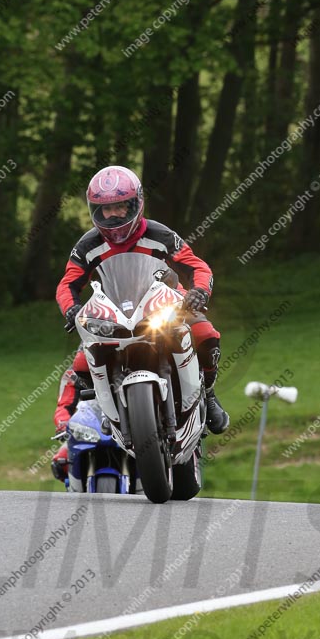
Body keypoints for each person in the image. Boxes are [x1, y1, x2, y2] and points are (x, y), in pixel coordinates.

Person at [51, 165, 229, 481]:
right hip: (114, 313)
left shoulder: (160, 235)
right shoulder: (87, 246)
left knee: (207, 334)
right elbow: (67, 284)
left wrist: (200, 291)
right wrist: (70, 309)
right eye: (105, 209)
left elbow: (196, 265)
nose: (114, 216)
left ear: (136, 204)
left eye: (120, 206)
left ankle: (209, 394)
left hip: (165, 303)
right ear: (95, 210)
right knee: (80, 366)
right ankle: (108, 411)